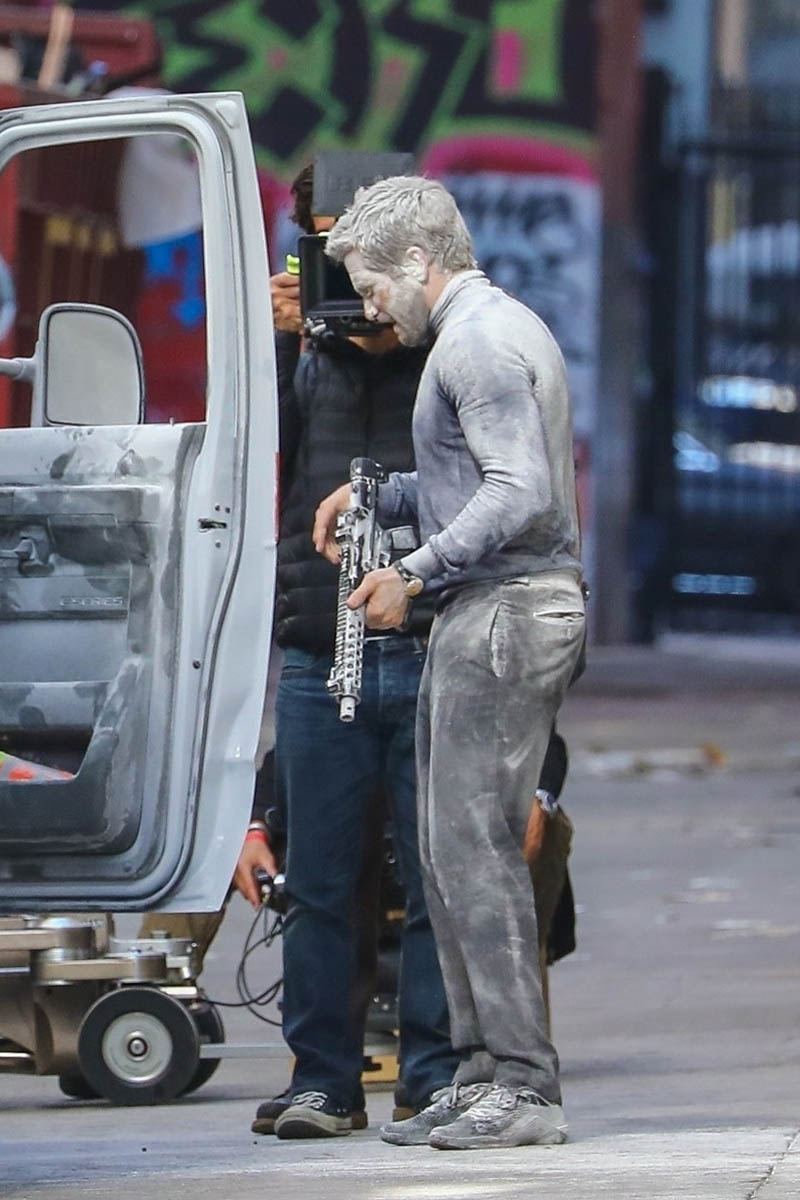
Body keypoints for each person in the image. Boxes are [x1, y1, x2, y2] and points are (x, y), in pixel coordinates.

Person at [315, 176, 586, 1150]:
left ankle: (522, 1087)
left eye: (373, 286)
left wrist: (413, 571)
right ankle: (481, 1077)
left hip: (506, 612)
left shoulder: (476, 343)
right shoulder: (481, 334)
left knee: (474, 851)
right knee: (446, 853)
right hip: (490, 610)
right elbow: (474, 477)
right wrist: (383, 498)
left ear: (419, 263)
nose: (370, 307)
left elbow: (519, 491)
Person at [236, 160, 460, 1140]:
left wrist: (391, 327)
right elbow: (258, 457)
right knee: (319, 879)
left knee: (436, 874)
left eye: (365, 250)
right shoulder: (304, 346)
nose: (349, 273)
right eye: (328, 249)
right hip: (315, 636)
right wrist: (282, 340)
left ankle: (434, 1076)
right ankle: (323, 1080)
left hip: (428, 631)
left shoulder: (451, 339)